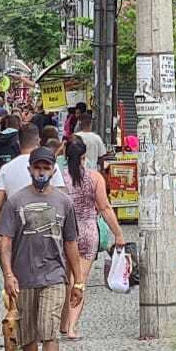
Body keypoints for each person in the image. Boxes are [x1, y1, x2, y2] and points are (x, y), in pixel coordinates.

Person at [0, 147, 84, 351]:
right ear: (30, 170)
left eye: (46, 168)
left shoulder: (63, 202)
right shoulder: (15, 202)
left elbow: (71, 243)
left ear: (53, 170)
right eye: (38, 168)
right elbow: (6, 243)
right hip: (24, 278)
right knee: (29, 334)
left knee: (49, 330)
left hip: (54, 276)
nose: (42, 172)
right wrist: (8, 274)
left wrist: (78, 280)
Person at [59, 137, 125, 340]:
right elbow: (104, 208)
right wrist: (118, 233)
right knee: (79, 280)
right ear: (83, 157)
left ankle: (63, 323)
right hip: (88, 231)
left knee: (66, 280)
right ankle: (70, 327)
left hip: (64, 232)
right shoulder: (95, 178)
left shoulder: (59, 178)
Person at [0, 124, 66, 250]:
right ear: (39, 141)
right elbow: (62, 197)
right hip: (46, 228)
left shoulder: (7, 168)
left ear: (18, 143)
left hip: (16, 230)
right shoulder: (50, 167)